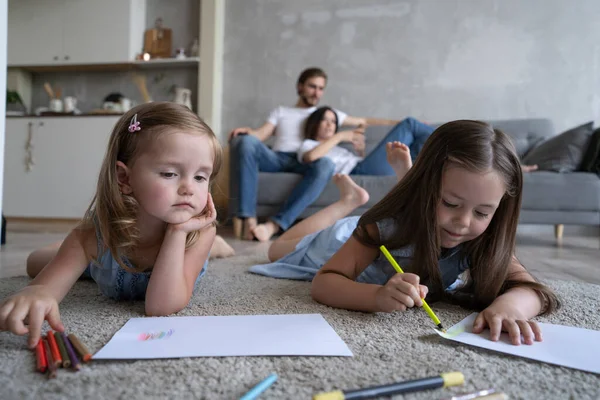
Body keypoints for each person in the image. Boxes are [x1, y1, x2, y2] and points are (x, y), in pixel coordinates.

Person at [250, 120, 559, 345]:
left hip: (392, 230)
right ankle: (347, 202)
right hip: (341, 243)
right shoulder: (382, 227)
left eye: (482, 212)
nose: (463, 222)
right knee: (278, 250)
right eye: (450, 203)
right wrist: (376, 297)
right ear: (425, 187)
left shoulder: (482, 238)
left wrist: (509, 307)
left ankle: (355, 200)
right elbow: (324, 283)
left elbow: (533, 290)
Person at [0, 102, 225, 348]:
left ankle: (217, 247)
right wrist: (39, 292)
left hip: (184, 254)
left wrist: (177, 231)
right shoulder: (95, 233)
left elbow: (160, 308)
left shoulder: (199, 232)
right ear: (124, 178)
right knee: (34, 263)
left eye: (200, 177)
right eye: (170, 174)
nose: (189, 188)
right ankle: (70, 251)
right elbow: (43, 290)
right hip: (106, 257)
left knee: (213, 245)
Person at [228, 67, 392, 242]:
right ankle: (248, 217)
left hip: (307, 159)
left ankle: (276, 224)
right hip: (278, 157)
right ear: (300, 87)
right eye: (312, 87)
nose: (317, 93)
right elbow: (260, 136)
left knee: (326, 164)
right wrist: (248, 132)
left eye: (321, 88)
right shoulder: (281, 111)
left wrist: (400, 123)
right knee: (245, 141)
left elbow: (365, 121)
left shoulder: (325, 114)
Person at [301, 106, 540, 174]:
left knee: (428, 149)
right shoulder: (308, 146)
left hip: (362, 166)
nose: (331, 126)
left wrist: (359, 150)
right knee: (410, 125)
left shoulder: (336, 146)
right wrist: (342, 134)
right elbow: (311, 157)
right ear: (314, 124)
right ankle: (465, 144)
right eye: (325, 121)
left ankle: (475, 155)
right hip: (361, 172)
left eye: (334, 122)